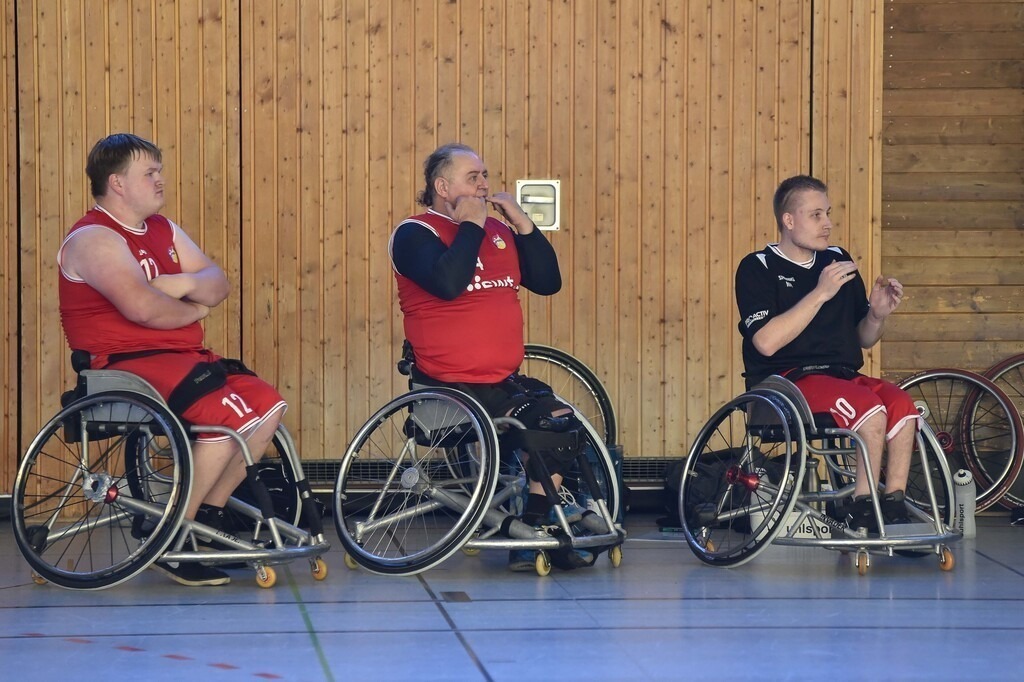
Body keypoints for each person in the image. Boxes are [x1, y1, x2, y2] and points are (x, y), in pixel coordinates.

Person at [58, 133, 287, 586]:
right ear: (117, 182)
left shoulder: (162, 229)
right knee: (230, 416)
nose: (161, 179)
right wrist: (195, 309)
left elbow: (217, 282)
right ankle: (173, 534)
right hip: (127, 362)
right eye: (151, 172)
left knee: (266, 405)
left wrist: (179, 286)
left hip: (182, 356)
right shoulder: (94, 238)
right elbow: (142, 309)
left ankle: (207, 518)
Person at [390, 142, 592, 571]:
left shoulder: (498, 232)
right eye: (473, 177)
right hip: (449, 384)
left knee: (559, 418)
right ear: (443, 187)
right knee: (541, 422)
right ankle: (534, 533)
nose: (484, 185)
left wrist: (521, 224)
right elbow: (448, 283)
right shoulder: (414, 233)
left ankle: (539, 527)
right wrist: (470, 228)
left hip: (501, 380)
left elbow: (548, 281)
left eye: (485, 176)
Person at [735, 174, 915, 531]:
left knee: (902, 407)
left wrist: (877, 314)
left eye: (828, 213)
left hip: (841, 377)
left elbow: (864, 338)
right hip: (787, 382)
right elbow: (766, 342)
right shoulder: (758, 267)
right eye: (816, 215)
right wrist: (819, 293)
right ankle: (862, 506)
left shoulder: (837, 261)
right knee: (870, 410)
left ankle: (893, 503)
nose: (827, 224)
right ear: (789, 220)